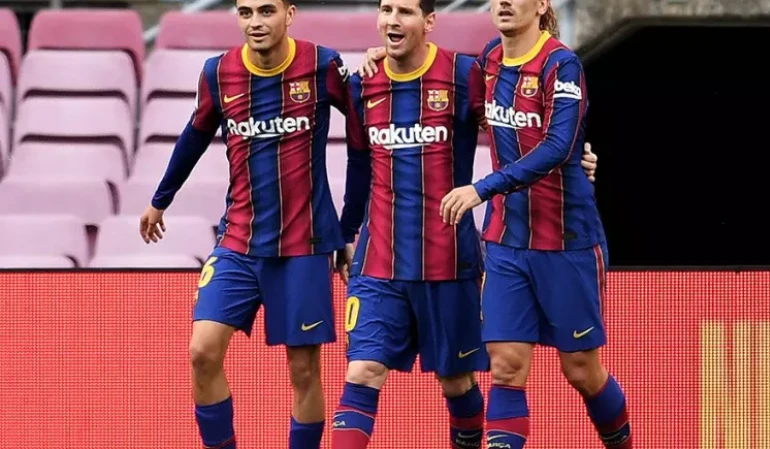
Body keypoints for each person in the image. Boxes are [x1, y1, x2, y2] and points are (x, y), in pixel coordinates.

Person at [337, 2, 600, 448]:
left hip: (456, 259)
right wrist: (345, 232)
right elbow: (358, 162)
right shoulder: (364, 80)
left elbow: (524, 131)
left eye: (405, 11)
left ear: (429, 22)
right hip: (384, 260)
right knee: (364, 370)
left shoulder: (468, 74)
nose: (393, 20)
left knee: (460, 381)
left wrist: (576, 157)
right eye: (386, 10)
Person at [138, 0, 352, 448]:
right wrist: (160, 200)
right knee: (202, 352)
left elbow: (368, 133)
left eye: (266, 11)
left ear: (289, 14)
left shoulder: (322, 65)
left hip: (304, 244)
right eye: (246, 12)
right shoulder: (219, 72)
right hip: (238, 239)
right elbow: (195, 134)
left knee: (304, 370)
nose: (255, 22)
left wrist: (348, 228)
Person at [439, 0, 633, 448]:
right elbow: (453, 100)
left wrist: (483, 188)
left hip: (567, 239)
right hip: (506, 240)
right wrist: (379, 55)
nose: (504, 2)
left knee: (581, 369)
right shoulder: (487, 61)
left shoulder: (562, 65)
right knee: (505, 366)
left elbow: (558, 146)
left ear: (542, 4)